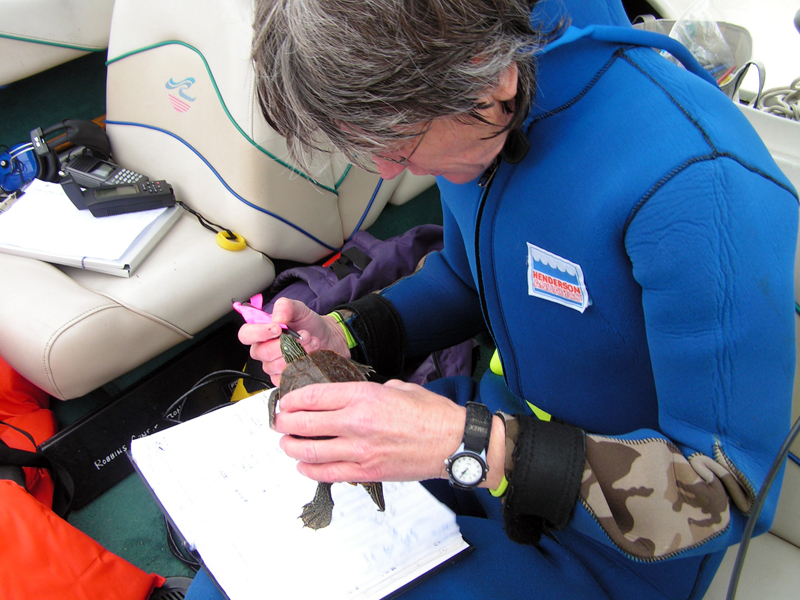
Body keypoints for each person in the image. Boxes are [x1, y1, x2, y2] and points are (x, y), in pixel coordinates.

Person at [185, 0, 798, 598]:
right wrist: (345, 336)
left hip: (616, 547)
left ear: (493, 78)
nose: (388, 166)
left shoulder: (700, 184)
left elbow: (726, 492)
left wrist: (472, 445)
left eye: (397, 145)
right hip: (491, 435)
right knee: (236, 573)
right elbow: (466, 279)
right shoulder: (478, 110)